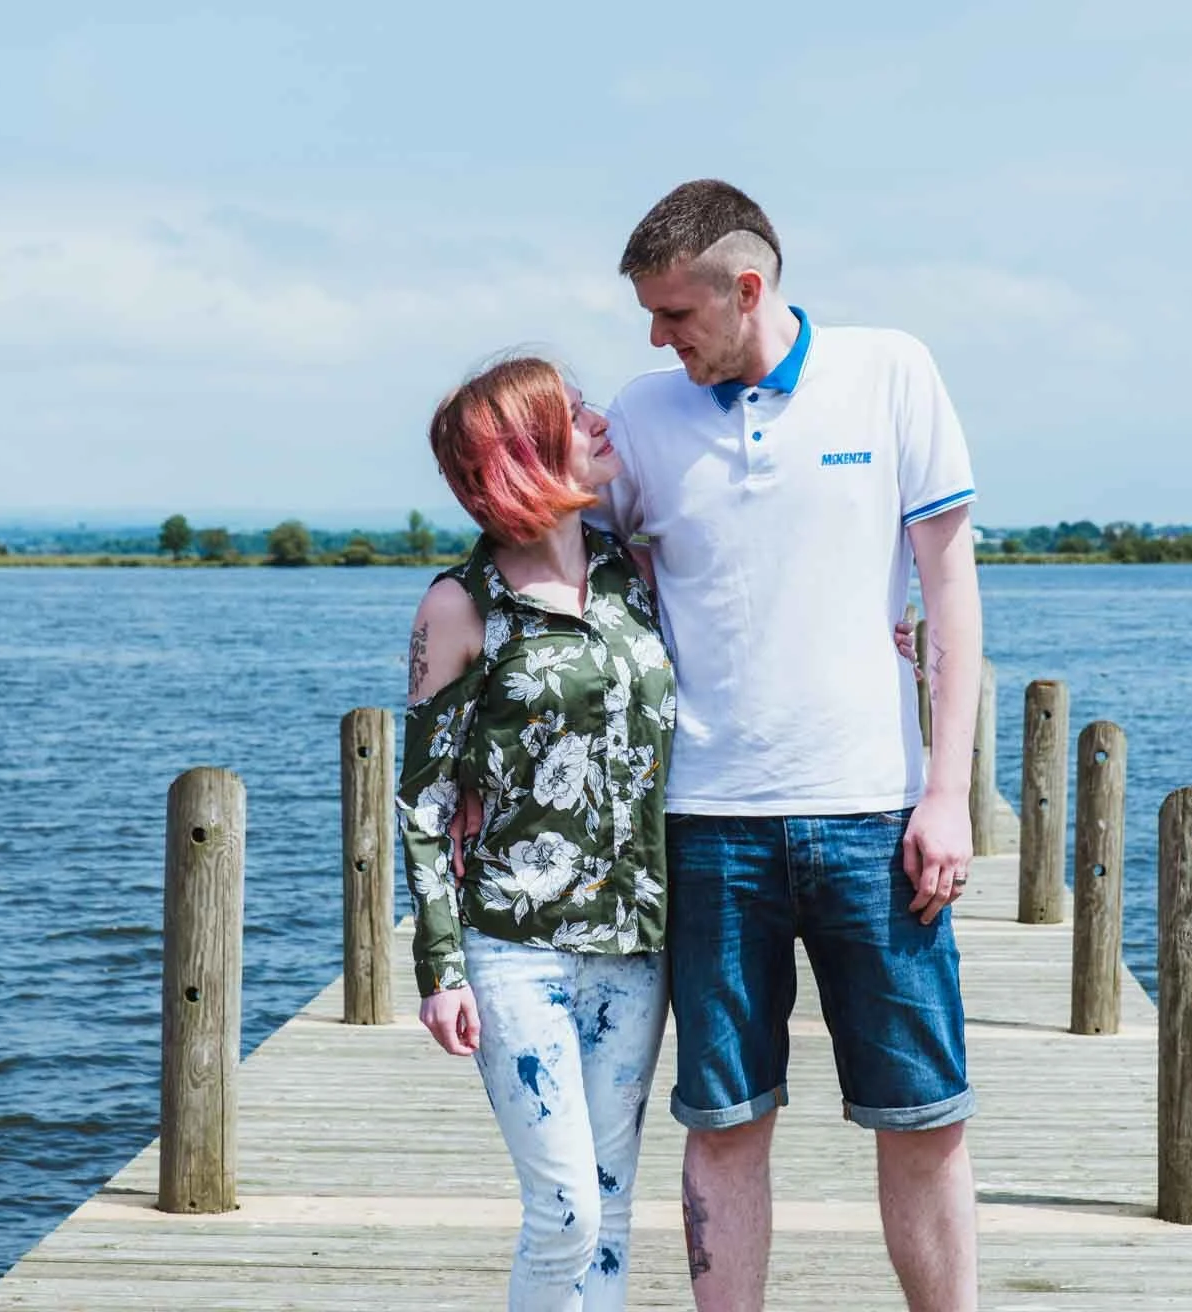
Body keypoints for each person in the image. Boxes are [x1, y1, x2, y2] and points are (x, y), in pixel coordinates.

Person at [589, 179, 986, 1312]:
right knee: (722, 1119)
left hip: (872, 811)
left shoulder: (889, 371)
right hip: (704, 820)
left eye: (674, 314)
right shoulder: (643, 411)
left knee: (920, 1113)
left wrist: (944, 795)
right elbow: (570, 582)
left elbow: (948, 587)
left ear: (746, 286)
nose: (657, 339)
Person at [395, 356, 677, 1311]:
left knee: (610, 1205)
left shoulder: (635, 575)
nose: (600, 421)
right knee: (562, 1212)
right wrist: (440, 969)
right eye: (572, 414)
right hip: (514, 949)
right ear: (522, 453)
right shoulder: (459, 607)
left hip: (636, 944)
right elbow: (424, 803)